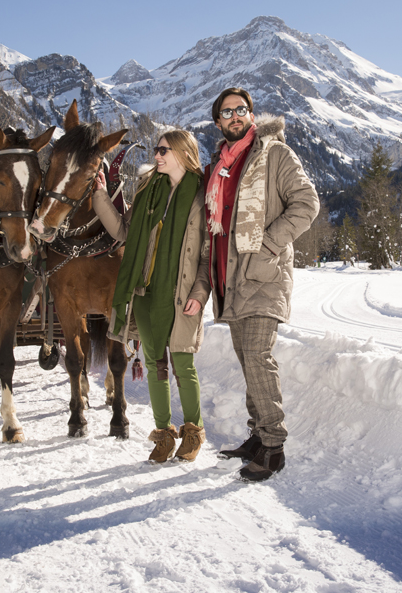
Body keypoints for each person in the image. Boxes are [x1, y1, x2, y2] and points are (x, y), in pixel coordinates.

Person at [206, 87, 319, 482]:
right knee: (247, 360)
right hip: (232, 279)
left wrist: (268, 244)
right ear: (218, 121)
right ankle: (256, 436)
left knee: (257, 355)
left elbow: (306, 203)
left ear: (251, 115)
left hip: (264, 275)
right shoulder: (220, 167)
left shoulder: (275, 154)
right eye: (226, 112)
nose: (234, 116)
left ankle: (273, 446)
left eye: (241, 110)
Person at [92, 130, 211, 463]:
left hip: (182, 294)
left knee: (182, 362)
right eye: (157, 150)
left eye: (163, 150)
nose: (156, 155)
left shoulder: (202, 196)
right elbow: (123, 232)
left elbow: (207, 253)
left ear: (184, 154)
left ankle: (193, 431)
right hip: (145, 293)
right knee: (155, 364)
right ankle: (163, 436)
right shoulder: (148, 189)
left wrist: (200, 293)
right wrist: (101, 196)